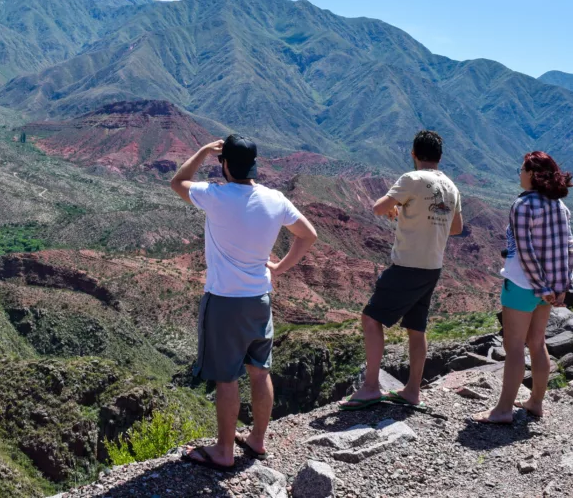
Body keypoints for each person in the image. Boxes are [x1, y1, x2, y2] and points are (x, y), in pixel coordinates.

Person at [170, 134, 318, 471]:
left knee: (226, 379)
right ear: (254, 165)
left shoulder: (215, 196)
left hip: (224, 301)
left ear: (224, 165)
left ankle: (224, 451)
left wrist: (203, 151)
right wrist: (280, 267)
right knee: (259, 370)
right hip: (259, 299)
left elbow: (177, 181)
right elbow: (308, 235)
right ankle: (257, 440)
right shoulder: (275, 199)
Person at [342, 129, 463, 411]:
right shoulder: (452, 186)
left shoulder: (412, 179)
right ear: (440, 157)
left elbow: (377, 207)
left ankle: (371, 386)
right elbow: (456, 228)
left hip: (407, 264)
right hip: (432, 266)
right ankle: (412, 391)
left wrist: (395, 209)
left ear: (413, 154)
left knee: (371, 319)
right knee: (416, 328)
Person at [473, 151, 573, 424]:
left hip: (521, 284)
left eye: (522, 169)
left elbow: (525, 251)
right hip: (551, 288)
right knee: (537, 342)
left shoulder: (523, 206)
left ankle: (503, 410)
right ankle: (536, 402)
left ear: (532, 174)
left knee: (515, 347)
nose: (519, 174)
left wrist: (540, 286)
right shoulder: (560, 207)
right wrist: (560, 285)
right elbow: (570, 249)